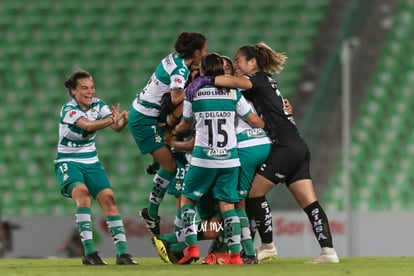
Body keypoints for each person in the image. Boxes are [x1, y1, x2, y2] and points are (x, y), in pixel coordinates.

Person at [185, 43, 339, 264]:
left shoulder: (256, 79)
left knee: (252, 195)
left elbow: (234, 83)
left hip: (284, 147)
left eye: (238, 60)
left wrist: (205, 80)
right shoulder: (266, 83)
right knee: (310, 203)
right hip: (297, 145)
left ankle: (266, 246)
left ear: (252, 62)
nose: (236, 65)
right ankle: (328, 252)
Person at [171, 53, 265, 265]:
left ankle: (192, 248)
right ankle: (234, 255)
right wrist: (268, 124)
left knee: (187, 200)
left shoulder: (193, 92)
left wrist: (176, 130)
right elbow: (252, 120)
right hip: (230, 159)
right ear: (222, 72)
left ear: (203, 71)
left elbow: (185, 124)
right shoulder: (233, 94)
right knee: (228, 206)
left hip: (203, 159)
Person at [54, 69, 137, 265]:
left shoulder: (98, 104)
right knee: (82, 196)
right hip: (68, 161)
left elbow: (115, 127)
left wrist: (121, 122)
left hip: (91, 161)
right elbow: (88, 126)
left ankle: (122, 254)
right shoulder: (69, 110)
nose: (89, 91)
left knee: (109, 199)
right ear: (73, 91)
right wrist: (111, 120)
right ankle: (90, 253)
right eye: (84, 88)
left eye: (91, 87)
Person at [128, 32, 208, 236]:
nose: (206, 53)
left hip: (149, 114)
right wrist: (195, 89)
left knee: (167, 154)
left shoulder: (174, 59)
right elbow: (176, 96)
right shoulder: (180, 70)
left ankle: (155, 163)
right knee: (170, 166)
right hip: (144, 119)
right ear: (197, 52)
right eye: (204, 50)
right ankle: (151, 213)